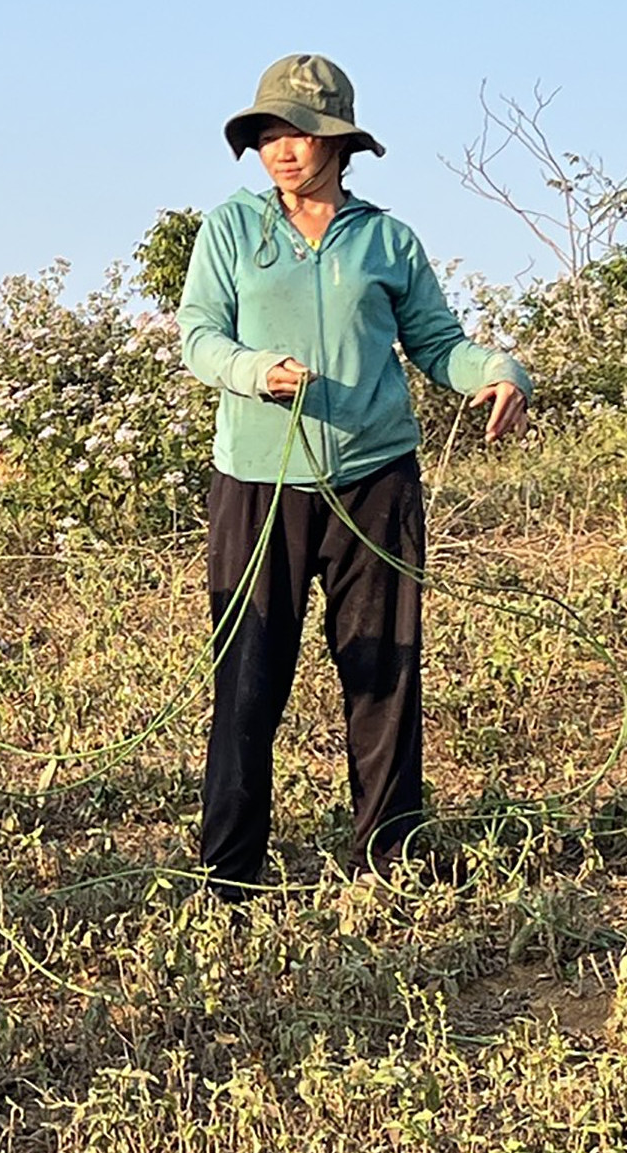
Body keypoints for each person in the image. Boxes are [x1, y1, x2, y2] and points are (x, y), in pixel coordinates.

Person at [176, 53, 531, 899]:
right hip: (258, 484)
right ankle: (230, 875)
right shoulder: (232, 230)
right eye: (267, 134)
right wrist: (257, 370)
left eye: (297, 133)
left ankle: (390, 857)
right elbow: (199, 336)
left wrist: (498, 370)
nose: (281, 150)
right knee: (250, 676)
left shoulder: (386, 239)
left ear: (339, 143)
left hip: (375, 483)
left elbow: (438, 343)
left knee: (384, 672)